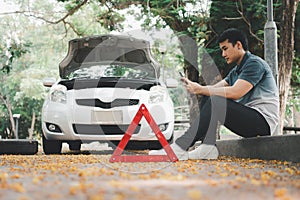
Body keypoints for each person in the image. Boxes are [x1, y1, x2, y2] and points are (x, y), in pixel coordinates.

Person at [149, 28, 279, 160]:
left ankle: (181, 147)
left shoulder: (254, 64)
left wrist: (201, 89)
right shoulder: (236, 71)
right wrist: (197, 88)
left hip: (263, 123)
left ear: (238, 45)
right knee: (210, 96)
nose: (223, 54)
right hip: (250, 121)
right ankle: (207, 147)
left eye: (225, 48)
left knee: (216, 100)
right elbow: (213, 89)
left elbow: (236, 92)